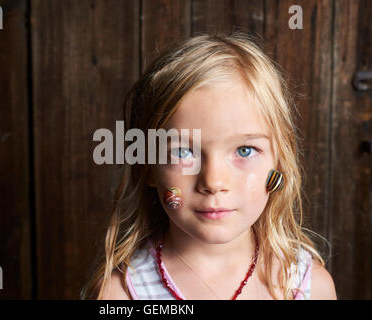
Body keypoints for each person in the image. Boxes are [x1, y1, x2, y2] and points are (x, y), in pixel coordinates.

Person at [80, 32, 337, 300]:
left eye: (245, 150)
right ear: (148, 166)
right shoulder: (119, 294)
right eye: (182, 152)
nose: (214, 182)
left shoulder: (309, 287)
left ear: (280, 161)